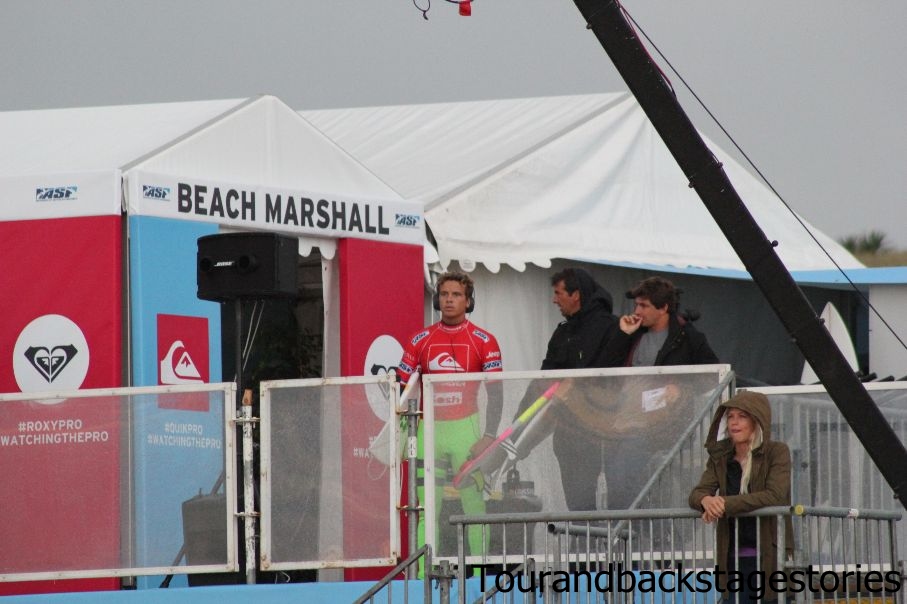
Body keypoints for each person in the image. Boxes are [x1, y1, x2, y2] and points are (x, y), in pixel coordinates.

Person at [397, 270, 503, 556]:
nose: (449, 300)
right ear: (436, 300)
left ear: (469, 301)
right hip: (429, 430)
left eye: (456, 295)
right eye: (444, 294)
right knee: (425, 507)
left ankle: (479, 572)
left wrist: (489, 435)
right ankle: (422, 573)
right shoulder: (420, 339)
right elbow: (399, 386)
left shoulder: (484, 340)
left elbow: (497, 393)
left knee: (474, 507)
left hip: (466, 431)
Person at [526, 268, 620, 510]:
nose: (554, 299)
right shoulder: (563, 333)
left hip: (611, 433)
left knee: (620, 505)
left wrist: (574, 385)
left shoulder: (613, 328)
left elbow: (616, 379)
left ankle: (612, 537)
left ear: (575, 295)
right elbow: (543, 382)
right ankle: (584, 536)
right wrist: (519, 429)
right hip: (571, 435)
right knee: (579, 508)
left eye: (558, 293)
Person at [689, 391, 793, 602]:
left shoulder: (777, 452)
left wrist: (723, 504)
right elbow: (697, 493)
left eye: (742, 416)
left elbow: (774, 495)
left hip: (770, 559)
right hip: (732, 560)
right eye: (731, 416)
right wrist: (706, 501)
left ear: (757, 421)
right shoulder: (721, 458)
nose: (734, 422)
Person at [605, 275, 719, 367]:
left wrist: (682, 387)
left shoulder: (689, 337)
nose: (637, 311)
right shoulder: (633, 333)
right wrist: (623, 334)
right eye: (637, 305)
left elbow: (713, 376)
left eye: (644, 306)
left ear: (663, 308)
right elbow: (605, 370)